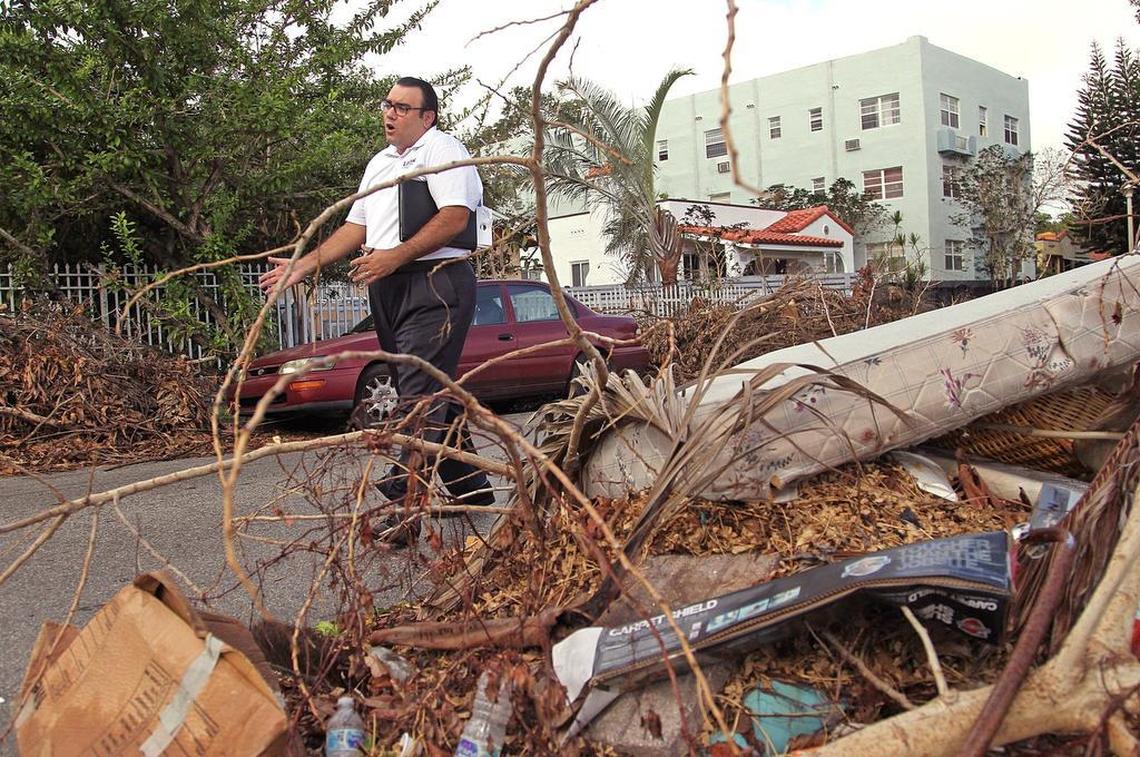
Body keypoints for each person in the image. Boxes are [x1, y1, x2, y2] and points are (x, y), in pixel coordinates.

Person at [259, 76, 493, 545]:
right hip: (387, 285)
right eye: (387, 104)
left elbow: (454, 218)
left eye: (403, 108)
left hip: (436, 283)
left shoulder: (445, 151)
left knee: (418, 394)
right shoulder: (380, 163)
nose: (390, 113)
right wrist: (304, 265)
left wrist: (395, 255)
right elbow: (355, 227)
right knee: (430, 390)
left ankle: (404, 509)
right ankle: (471, 488)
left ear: (427, 117)